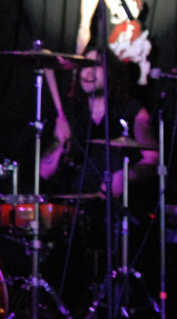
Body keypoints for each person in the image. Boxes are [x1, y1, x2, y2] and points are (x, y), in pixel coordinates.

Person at [40, 47, 158, 204]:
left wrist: (124, 177)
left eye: (96, 66)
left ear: (111, 72)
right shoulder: (71, 114)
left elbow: (153, 158)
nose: (89, 72)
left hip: (118, 206)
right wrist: (61, 145)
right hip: (75, 207)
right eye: (85, 66)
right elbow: (44, 172)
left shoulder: (133, 111)